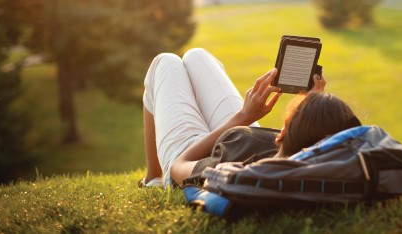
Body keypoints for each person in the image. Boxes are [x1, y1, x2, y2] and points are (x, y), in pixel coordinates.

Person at [139, 48, 361, 188]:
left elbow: (180, 166)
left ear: (282, 133)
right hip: (240, 133)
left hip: (193, 151)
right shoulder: (305, 153)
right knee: (197, 56)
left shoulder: (241, 169)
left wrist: (243, 117)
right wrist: (313, 104)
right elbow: (315, 138)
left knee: (165, 62)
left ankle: (154, 178)